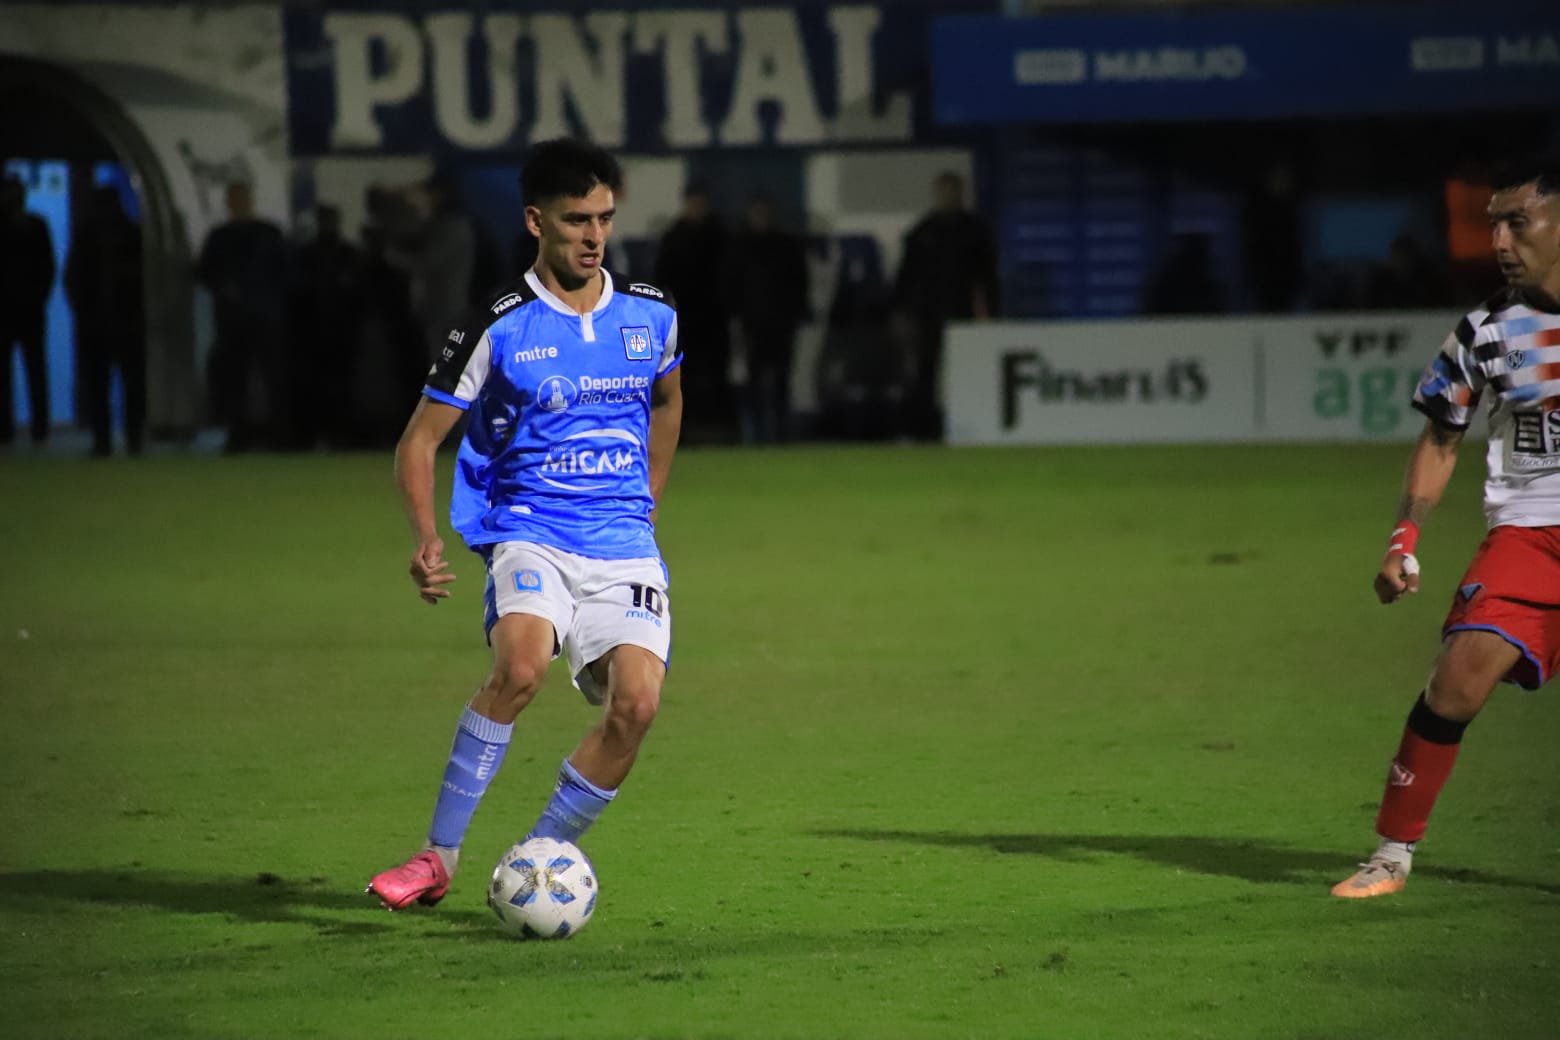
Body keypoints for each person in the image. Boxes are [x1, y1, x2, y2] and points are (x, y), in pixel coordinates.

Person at [367, 138, 684, 911]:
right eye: (578, 220)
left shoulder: (651, 314)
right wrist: (425, 536)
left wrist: (646, 497)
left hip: (622, 544)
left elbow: (668, 402)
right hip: (530, 526)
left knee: (637, 705)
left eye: (605, 219)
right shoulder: (497, 326)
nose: (594, 236)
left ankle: (542, 857)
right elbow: (419, 438)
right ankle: (437, 857)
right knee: (520, 669)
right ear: (537, 221)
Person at [1332, 157, 1560, 899]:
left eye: (1515, 221)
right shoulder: (1487, 332)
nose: (1497, 237)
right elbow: (1440, 439)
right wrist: (1404, 540)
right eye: (1493, 221)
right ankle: (1391, 855)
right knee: (1456, 681)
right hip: (1530, 532)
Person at [893, 170, 998, 440]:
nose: (948, 196)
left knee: (967, 374)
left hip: (963, 314)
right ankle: (924, 431)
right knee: (924, 376)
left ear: (961, 194)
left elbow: (988, 277)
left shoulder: (975, 230)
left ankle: (971, 427)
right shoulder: (922, 232)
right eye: (944, 191)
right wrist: (904, 314)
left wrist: (991, 314)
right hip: (927, 316)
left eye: (953, 191)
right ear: (936, 194)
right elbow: (905, 278)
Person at [197, 182, 288, 452]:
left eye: (242, 197)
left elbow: (286, 272)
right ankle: (238, 435)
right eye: (234, 198)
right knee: (234, 379)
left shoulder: (268, 234)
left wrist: (270, 299)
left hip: (267, 318)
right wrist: (224, 288)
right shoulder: (220, 237)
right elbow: (205, 272)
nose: (239, 202)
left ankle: (281, 435)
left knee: (276, 378)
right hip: (232, 320)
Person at [65, 185, 145, 456]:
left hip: (126, 321)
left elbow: (145, 279)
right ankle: (103, 440)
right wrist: (83, 310)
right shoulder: (87, 239)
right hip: (96, 322)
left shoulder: (133, 237)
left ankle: (133, 437)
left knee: (132, 384)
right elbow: (73, 278)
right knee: (98, 385)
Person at [726, 193, 809, 443]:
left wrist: (795, 314)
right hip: (750, 324)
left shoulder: (786, 247)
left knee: (782, 378)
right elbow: (730, 285)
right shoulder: (739, 248)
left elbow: (799, 283)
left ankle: (780, 431)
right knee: (752, 379)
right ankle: (754, 433)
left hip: (781, 323)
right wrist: (735, 315)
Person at [654, 182, 731, 440]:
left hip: (714, 320)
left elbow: (730, 278)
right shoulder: (673, 238)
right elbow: (662, 281)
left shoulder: (720, 237)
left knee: (716, 376)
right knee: (680, 378)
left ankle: (719, 432)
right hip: (682, 320)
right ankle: (683, 432)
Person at [288, 205, 364, 449]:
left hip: (341, 330)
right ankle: (315, 433)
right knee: (315, 384)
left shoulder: (346, 254)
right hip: (314, 330)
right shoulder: (308, 255)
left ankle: (339, 433)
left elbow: (359, 291)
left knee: (341, 384)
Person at [0, 173, 56, 446]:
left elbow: (47, 266)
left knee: (35, 369)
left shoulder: (36, 226)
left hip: (30, 307)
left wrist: (40, 297)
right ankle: (5, 428)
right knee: (6, 372)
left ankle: (40, 427)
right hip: (7, 309)